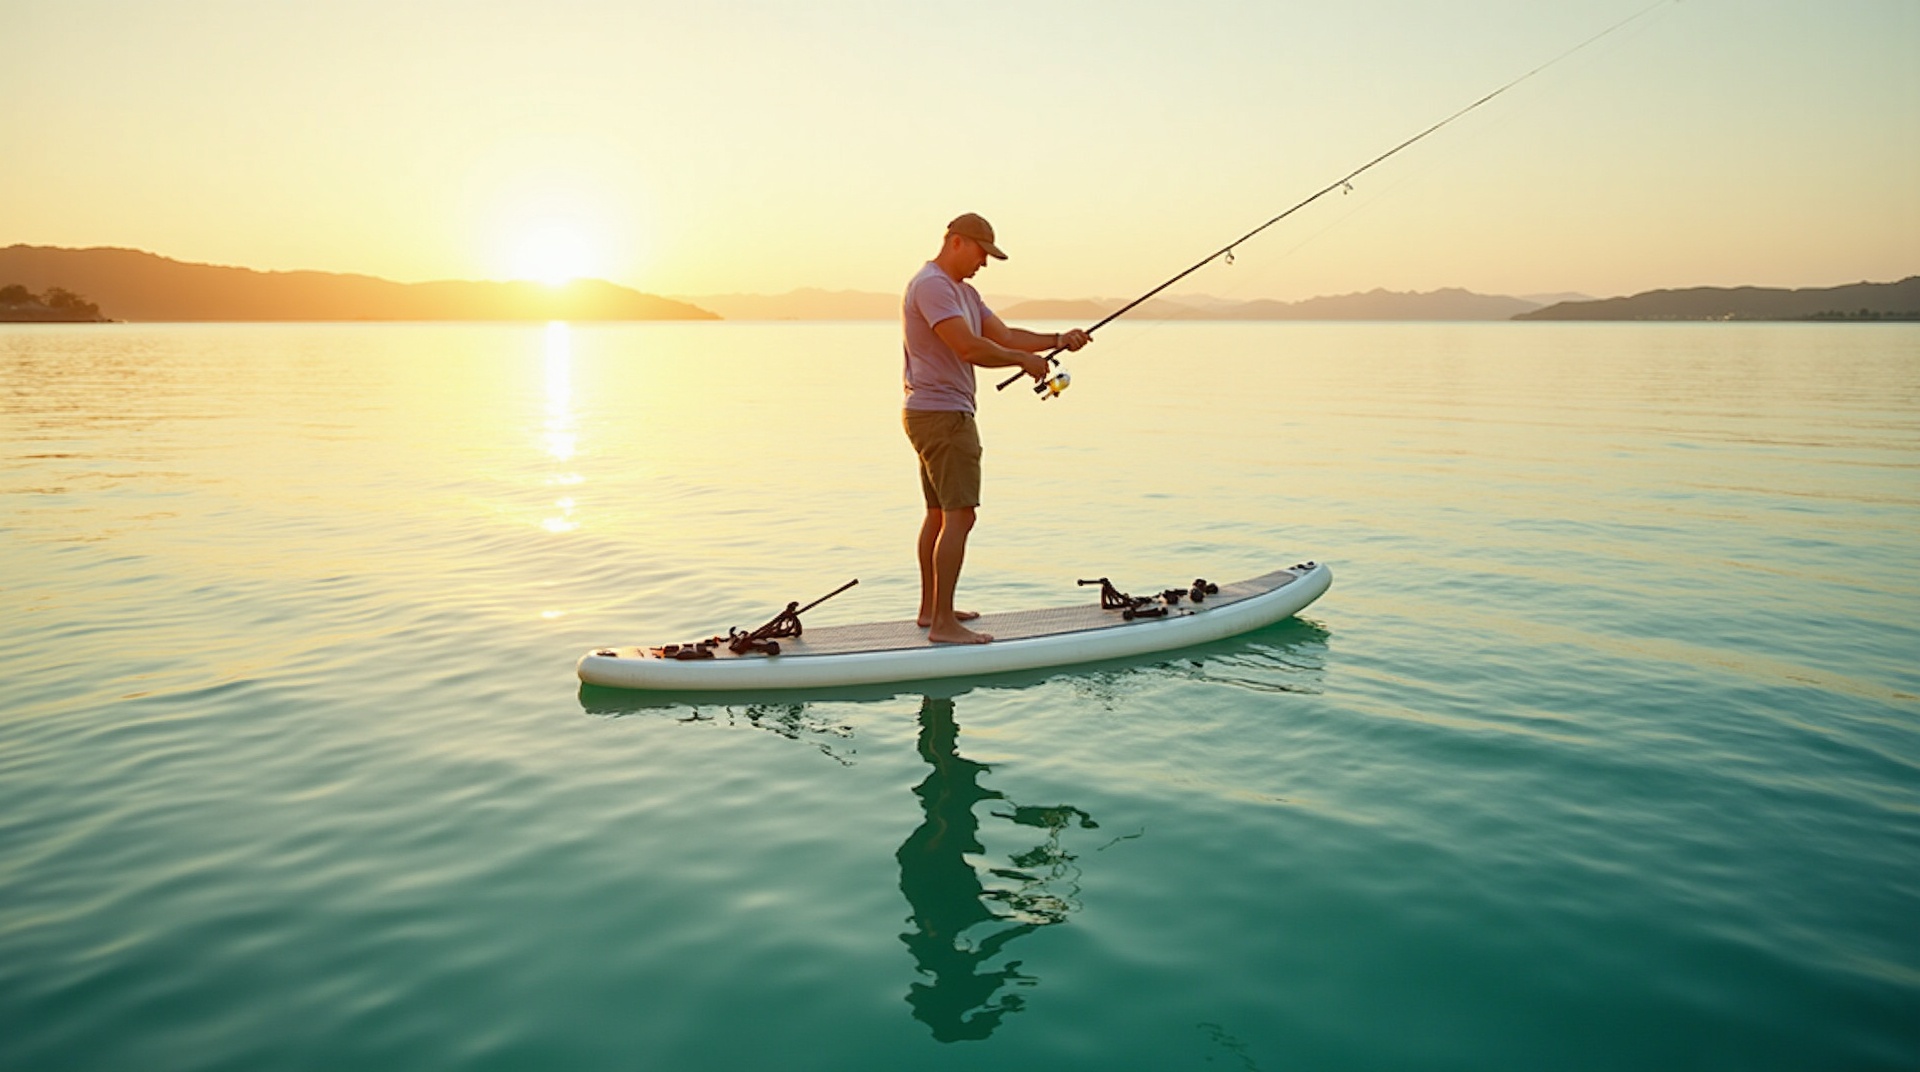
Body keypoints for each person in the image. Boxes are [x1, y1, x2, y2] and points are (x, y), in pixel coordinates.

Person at [902, 213, 1090, 644]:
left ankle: (932, 610)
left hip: (932, 412)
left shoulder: (963, 292)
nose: (984, 263)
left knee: (938, 513)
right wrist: (1023, 362)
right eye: (982, 253)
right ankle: (944, 625)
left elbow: (1004, 335)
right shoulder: (932, 285)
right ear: (956, 242)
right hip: (943, 415)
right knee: (960, 515)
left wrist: (1058, 338)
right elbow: (968, 347)